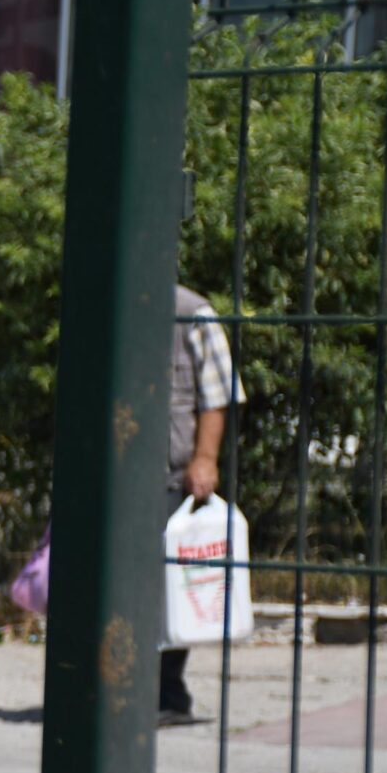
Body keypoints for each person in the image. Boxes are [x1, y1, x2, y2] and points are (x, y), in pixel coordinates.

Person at [162, 285, 239, 726]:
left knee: (172, 585)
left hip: (172, 473)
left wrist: (205, 459)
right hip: (120, 476)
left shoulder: (193, 313)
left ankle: (169, 695)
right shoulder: (107, 299)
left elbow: (217, 394)